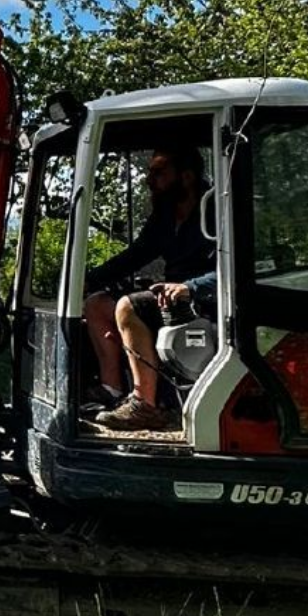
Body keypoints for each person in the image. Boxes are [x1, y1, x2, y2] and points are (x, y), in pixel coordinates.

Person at [81, 146, 217, 433]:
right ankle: (113, 390)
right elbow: (138, 254)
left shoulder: (217, 209)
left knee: (129, 306)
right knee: (96, 305)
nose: (149, 179)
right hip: (170, 298)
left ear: (187, 177)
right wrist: (89, 279)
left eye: (159, 172)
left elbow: (237, 268)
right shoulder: (165, 216)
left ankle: (147, 406)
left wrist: (190, 287)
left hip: (207, 299)